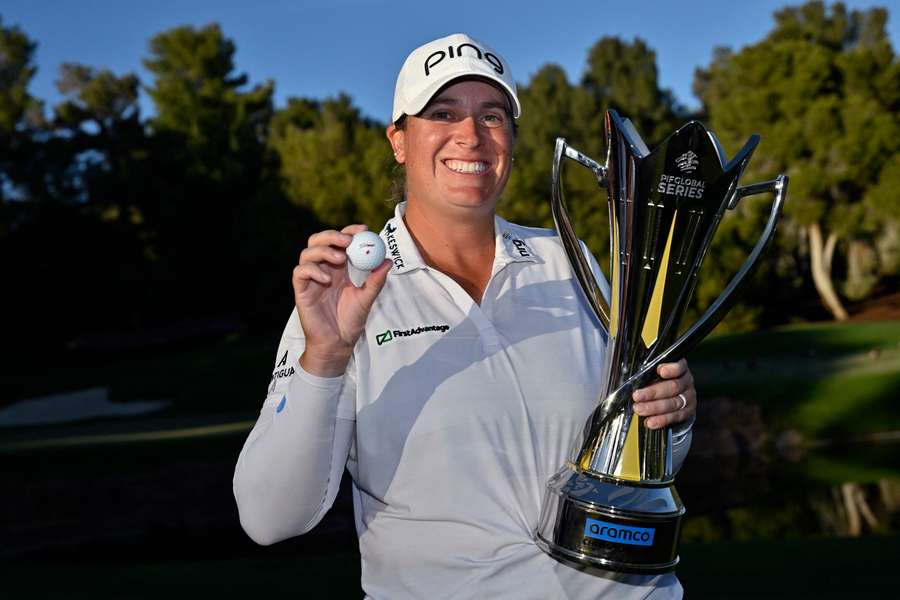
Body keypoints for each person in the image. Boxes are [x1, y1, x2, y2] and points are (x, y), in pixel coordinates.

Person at [233, 33, 697, 599]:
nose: (470, 135)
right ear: (399, 140)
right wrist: (324, 357)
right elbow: (270, 517)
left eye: (492, 116)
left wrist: (672, 418)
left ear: (511, 140)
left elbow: (635, 453)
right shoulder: (340, 296)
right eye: (442, 112)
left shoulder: (567, 260)